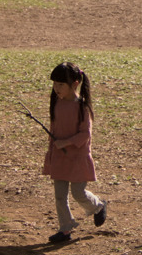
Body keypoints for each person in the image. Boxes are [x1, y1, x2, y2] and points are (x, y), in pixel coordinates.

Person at [42, 61, 107, 244]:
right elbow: (54, 129)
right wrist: (53, 150)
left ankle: (98, 206)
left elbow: (85, 134)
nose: (56, 88)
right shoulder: (57, 104)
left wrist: (66, 143)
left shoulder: (82, 107)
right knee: (60, 196)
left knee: (78, 193)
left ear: (75, 84)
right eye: (54, 84)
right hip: (60, 158)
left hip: (77, 158)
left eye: (61, 85)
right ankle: (65, 229)